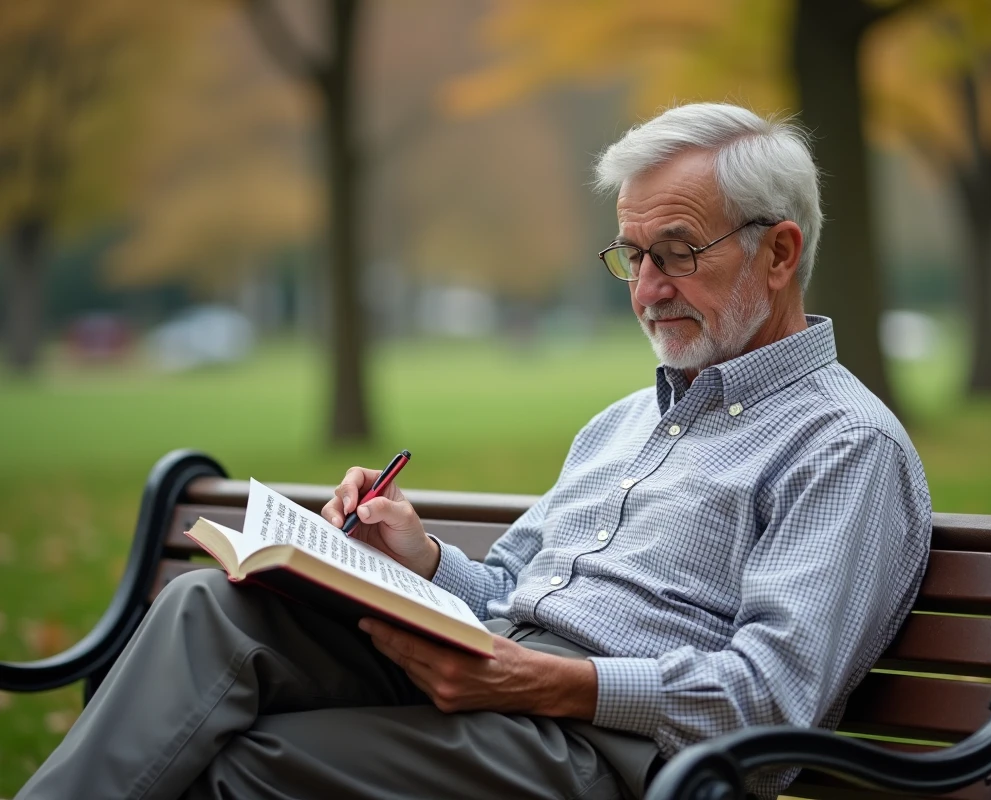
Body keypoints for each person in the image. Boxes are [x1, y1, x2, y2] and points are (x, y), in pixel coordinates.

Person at [17, 103, 931, 800]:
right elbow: (514, 595)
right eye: (632, 255)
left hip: (617, 759)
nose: (648, 289)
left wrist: (551, 681)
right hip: (498, 679)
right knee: (206, 609)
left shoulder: (844, 448)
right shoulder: (624, 421)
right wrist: (420, 560)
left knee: (249, 768)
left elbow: (772, 700)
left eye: (678, 252)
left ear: (779, 253)